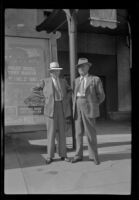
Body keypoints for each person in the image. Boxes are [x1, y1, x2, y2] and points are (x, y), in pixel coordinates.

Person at [34, 62, 72, 164]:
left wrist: (66, 100)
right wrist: (45, 100)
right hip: (50, 109)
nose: (56, 72)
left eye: (57, 70)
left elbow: (70, 91)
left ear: (59, 71)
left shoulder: (63, 81)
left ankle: (63, 155)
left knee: (62, 133)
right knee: (50, 133)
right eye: (54, 71)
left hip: (62, 108)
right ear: (50, 72)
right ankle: (49, 156)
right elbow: (35, 90)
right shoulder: (44, 81)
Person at [71, 58, 105, 165]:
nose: (81, 68)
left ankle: (93, 156)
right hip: (77, 107)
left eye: (83, 66)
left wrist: (93, 105)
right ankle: (78, 155)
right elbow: (73, 95)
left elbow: (101, 95)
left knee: (90, 133)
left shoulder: (95, 79)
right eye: (79, 67)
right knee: (78, 133)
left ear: (88, 67)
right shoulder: (76, 80)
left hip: (89, 107)